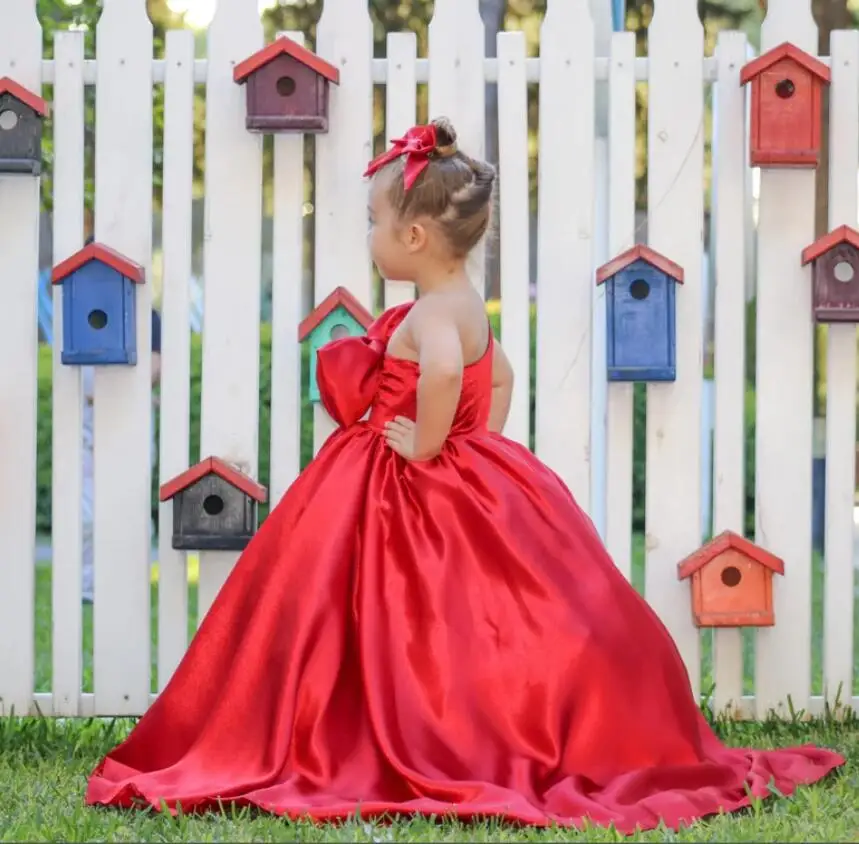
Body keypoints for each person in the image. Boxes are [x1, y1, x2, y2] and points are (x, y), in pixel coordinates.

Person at [84, 119, 844, 832]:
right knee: (480, 614)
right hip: (469, 464)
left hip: (398, 471)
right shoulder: (467, 305)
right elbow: (502, 375)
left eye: (374, 224)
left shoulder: (426, 319)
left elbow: (444, 368)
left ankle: (355, 729)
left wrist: (426, 446)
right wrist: (478, 441)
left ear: (412, 236)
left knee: (360, 605)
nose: (371, 236)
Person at [81, 241, 162, 604]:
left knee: (131, 507)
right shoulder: (79, 309)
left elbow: (156, 366)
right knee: (85, 510)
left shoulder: (148, 316)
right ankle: (86, 587)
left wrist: (115, 391)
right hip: (85, 425)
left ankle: (129, 585)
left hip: (131, 421)